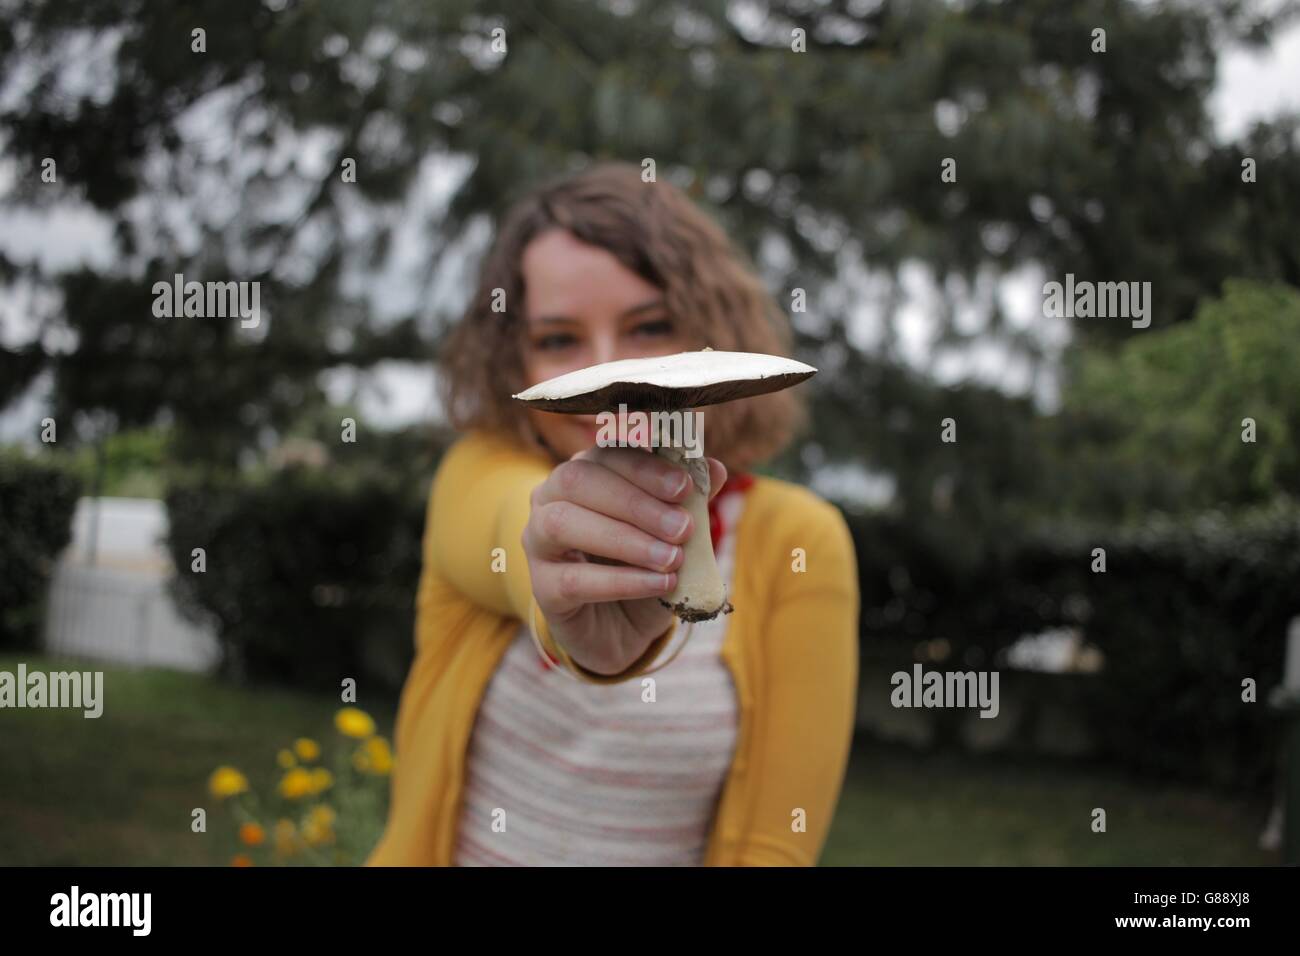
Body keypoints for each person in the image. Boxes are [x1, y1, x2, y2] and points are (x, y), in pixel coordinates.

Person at [365, 162, 859, 866]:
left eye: (649, 327)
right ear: (515, 362)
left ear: (709, 331)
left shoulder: (799, 541)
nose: (612, 379)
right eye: (559, 340)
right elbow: (514, 531)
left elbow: (773, 845)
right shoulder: (479, 474)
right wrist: (566, 587)